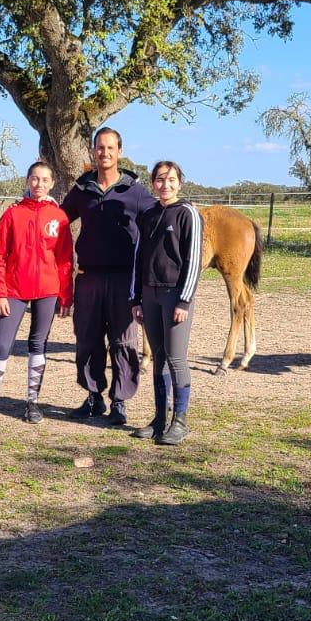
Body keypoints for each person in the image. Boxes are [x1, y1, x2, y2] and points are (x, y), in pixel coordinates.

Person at [60, 127, 156, 425]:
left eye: (110, 148)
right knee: (87, 339)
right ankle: (93, 398)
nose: (105, 153)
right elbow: (58, 219)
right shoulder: (82, 189)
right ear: (93, 151)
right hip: (88, 277)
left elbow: (158, 220)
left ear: (120, 151)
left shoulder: (135, 191)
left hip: (123, 280)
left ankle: (120, 402)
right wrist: (29, 205)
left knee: (123, 342)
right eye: (100, 148)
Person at [0, 160, 72, 426]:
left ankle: (32, 403)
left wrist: (66, 295)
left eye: (44, 180)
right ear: (27, 181)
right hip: (14, 290)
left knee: (38, 345)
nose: (39, 184)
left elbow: (64, 260)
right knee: (2, 346)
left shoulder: (59, 217)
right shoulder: (12, 214)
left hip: (47, 291)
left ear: (52, 183)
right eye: (34, 179)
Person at [130, 160, 202, 445]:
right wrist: (136, 298)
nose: (165, 184)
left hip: (175, 296)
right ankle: (160, 418)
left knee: (175, 357)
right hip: (149, 295)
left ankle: (180, 421)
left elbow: (193, 260)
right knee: (158, 357)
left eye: (171, 179)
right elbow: (139, 257)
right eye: (160, 179)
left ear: (180, 183)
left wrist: (184, 301)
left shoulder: (188, 214)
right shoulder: (148, 215)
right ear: (153, 183)